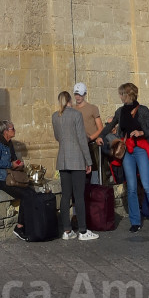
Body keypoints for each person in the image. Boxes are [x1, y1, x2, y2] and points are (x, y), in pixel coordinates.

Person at [102, 82, 149, 235]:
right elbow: (109, 126)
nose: (120, 96)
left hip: (140, 149)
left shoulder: (142, 110)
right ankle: (135, 221)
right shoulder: (120, 111)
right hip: (127, 151)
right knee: (131, 187)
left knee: (147, 185)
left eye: (121, 94)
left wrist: (140, 132)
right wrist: (100, 136)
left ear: (128, 94)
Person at [51, 91, 99, 241]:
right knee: (79, 196)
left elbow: (57, 137)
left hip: (63, 159)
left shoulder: (55, 116)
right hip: (77, 159)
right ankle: (83, 231)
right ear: (70, 100)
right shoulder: (76, 115)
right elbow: (81, 140)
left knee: (65, 195)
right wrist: (88, 161)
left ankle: (67, 230)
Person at [0, 120, 28, 240]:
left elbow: (14, 159)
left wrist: (18, 163)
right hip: (1, 179)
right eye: (12, 129)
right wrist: (11, 165)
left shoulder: (9, 143)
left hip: (11, 176)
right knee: (25, 196)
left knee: (31, 192)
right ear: (5, 131)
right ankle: (19, 227)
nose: (14, 130)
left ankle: (29, 224)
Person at [72, 82, 104, 183]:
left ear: (85, 94)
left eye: (80, 94)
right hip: (77, 147)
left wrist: (89, 138)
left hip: (91, 145)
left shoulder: (92, 108)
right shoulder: (71, 109)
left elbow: (100, 128)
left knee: (94, 175)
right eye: (76, 94)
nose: (78, 97)